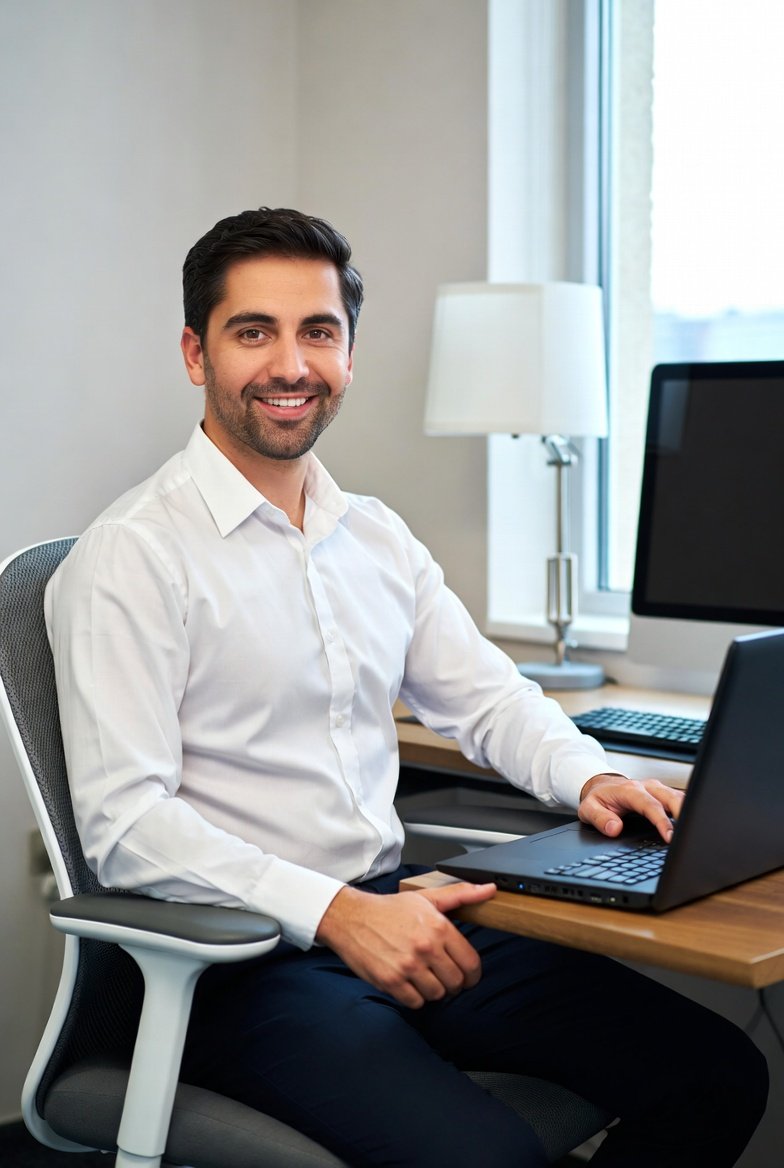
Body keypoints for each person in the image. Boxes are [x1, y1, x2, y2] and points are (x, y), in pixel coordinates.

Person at [45, 207, 767, 1167]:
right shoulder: (131, 557)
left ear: (349, 353)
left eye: (319, 332)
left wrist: (590, 777)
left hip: (400, 914)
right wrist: (342, 915)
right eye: (253, 332)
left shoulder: (374, 536)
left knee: (718, 1073)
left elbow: (487, 698)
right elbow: (126, 826)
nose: (290, 365)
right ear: (195, 352)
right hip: (238, 965)